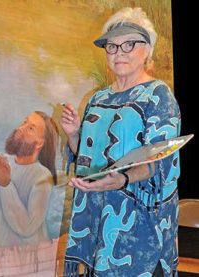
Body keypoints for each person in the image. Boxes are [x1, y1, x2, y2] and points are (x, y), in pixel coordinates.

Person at [60, 7, 181, 277]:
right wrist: (72, 134)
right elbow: (86, 158)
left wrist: (122, 180)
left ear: (146, 49)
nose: (119, 53)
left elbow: (159, 161)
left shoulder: (158, 95)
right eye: (112, 47)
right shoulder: (98, 97)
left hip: (139, 223)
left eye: (129, 44)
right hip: (96, 213)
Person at [0, 111, 59, 248]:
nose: (20, 128)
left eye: (30, 128)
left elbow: (27, 227)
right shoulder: (3, 162)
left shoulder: (42, 176)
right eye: (24, 122)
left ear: (40, 143)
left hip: (21, 261)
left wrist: (5, 184)